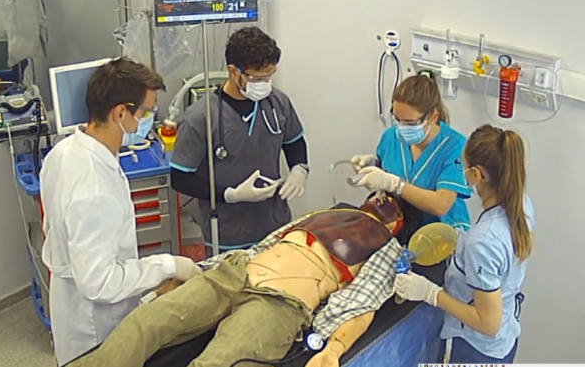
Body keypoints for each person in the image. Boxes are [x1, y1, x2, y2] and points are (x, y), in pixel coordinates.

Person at [65, 194, 421, 367]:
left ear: (396, 224)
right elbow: (263, 245)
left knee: (220, 362)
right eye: (379, 194)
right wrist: (199, 271)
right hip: (235, 272)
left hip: (279, 302)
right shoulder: (325, 213)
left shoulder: (386, 247)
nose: (382, 199)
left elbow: (363, 301)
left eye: (391, 202)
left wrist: (333, 349)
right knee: (146, 322)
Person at [40, 57, 202, 366]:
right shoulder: (94, 187)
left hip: (72, 302)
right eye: (145, 113)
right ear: (119, 113)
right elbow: (99, 282)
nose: (148, 122)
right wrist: (168, 265)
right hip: (96, 323)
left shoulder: (64, 152)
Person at [395, 125, 534, 363]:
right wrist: (463, 241)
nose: (461, 171)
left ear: (477, 175)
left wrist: (431, 293)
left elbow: (488, 323)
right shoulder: (522, 204)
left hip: (473, 349)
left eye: (463, 166)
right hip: (505, 340)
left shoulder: (483, 242)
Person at [170, 26, 309, 250]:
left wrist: (299, 169)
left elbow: (294, 142)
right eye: (257, 78)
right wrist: (231, 195)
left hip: (275, 226)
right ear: (233, 71)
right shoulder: (202, 116)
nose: (265, 83)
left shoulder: (277, 103)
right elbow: (180, 177)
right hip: (227, 232)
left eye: (269, 76)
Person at [351, 72, 472, 231]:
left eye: (410, 122)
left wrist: (395, 184)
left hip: (439, 233)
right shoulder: (390, 137)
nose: (401, 127)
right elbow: (389, 168)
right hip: (400, 226)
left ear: (433, 117)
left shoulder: (455, 146)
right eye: (397, 119)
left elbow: (441, 205)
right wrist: (373, 166)